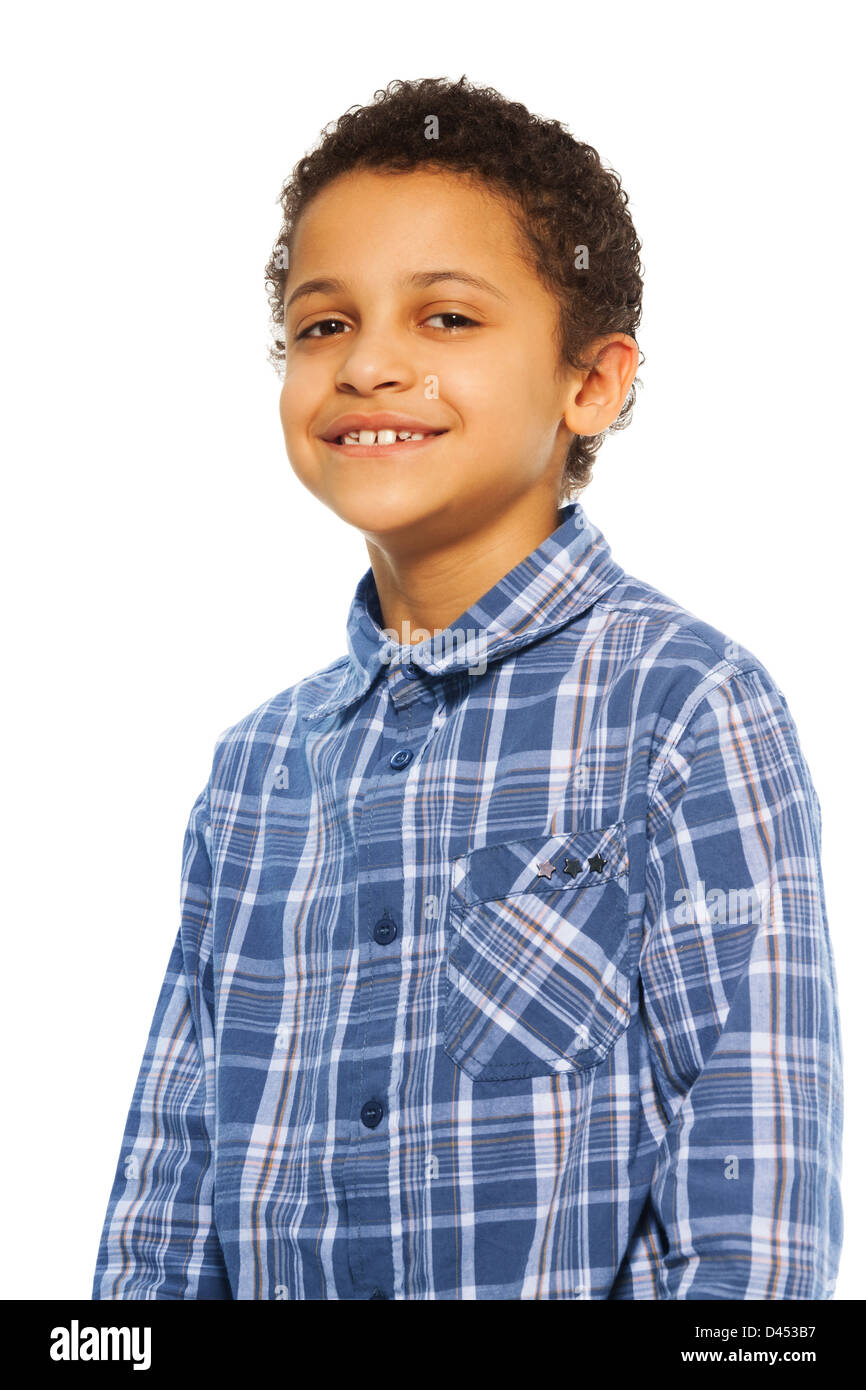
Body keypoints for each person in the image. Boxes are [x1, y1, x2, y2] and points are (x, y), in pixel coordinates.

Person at [92, 75, 843, 1300]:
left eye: (445, 319)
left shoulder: (686, 707)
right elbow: (165, 1201)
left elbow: (754, 1204)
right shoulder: (255, 773)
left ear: (589, 383)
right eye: (322, 324)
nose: (371, 363)